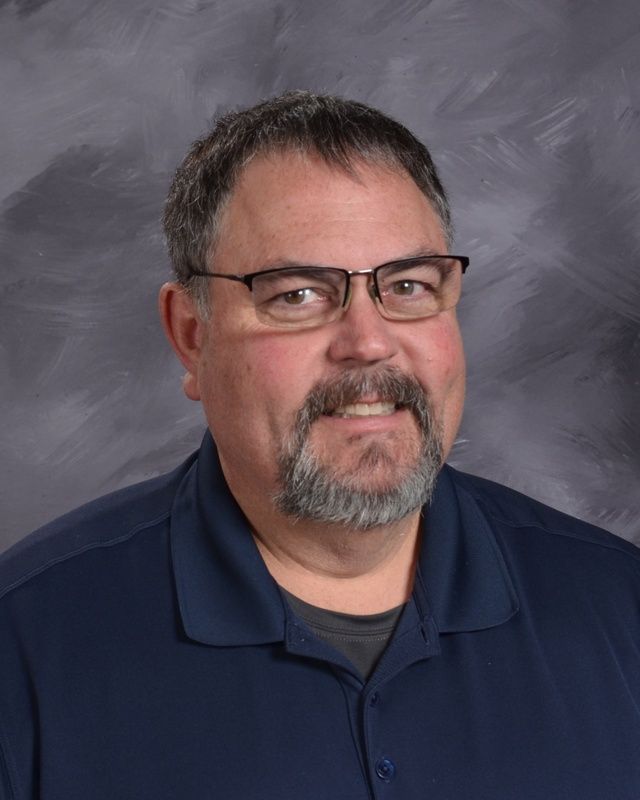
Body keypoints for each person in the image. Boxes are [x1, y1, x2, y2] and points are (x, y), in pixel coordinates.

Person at [1, 91, 639, 800]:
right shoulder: (22, 646)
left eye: (407, 285)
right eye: (297, 295)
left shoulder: (621, 609)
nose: (367, 342)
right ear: (191, 336)